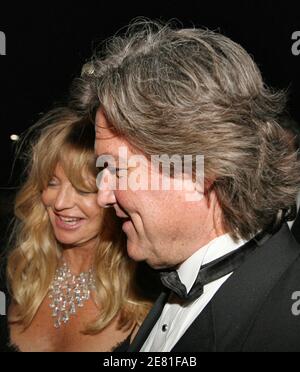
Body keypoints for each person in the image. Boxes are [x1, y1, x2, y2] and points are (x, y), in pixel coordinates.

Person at [71, 20, 300, 352]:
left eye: (117, 170)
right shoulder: (174, 277)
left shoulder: (285, 324)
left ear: (199, 171)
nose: (103, 195)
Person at [0, 107, 152, 352]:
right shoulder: (15, 274)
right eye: (52, 182)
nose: (60, 203)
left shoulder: (148, 293)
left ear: (113, 196)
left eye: (83, 188)